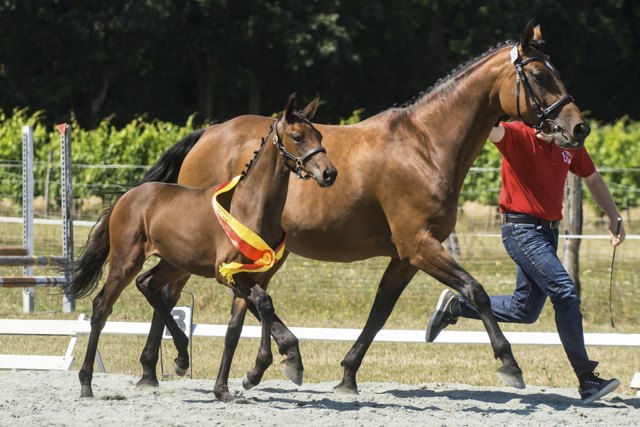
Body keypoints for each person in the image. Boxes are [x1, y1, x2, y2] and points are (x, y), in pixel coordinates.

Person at [425, 120, 626, 404]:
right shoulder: (516, 134)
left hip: (548, 232)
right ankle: (587, 378)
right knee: (565, 293)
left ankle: (457, 305)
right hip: (521, 230)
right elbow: (488, 124)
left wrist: (614, 217)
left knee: (525, 310)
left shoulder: (569, 144)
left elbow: (592, 178)